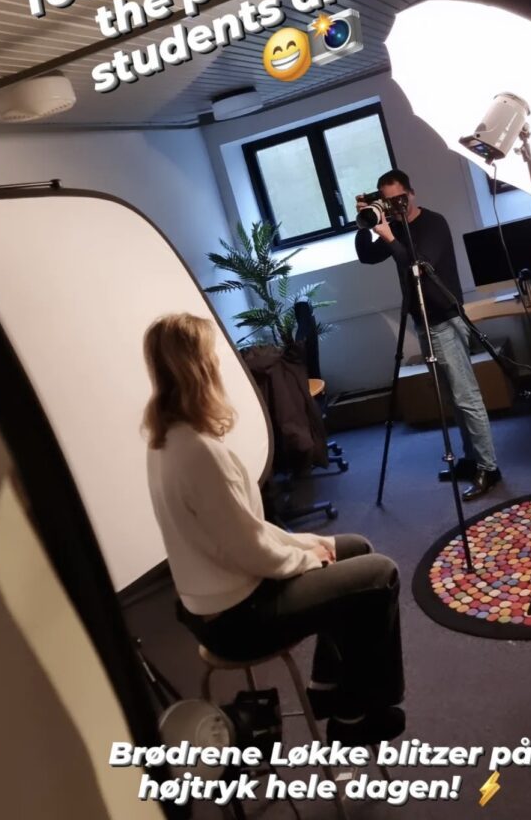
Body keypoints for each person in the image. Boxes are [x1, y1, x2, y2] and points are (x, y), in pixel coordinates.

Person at [142, 313, 405, 746]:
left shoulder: (165, 440)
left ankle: (327, 686)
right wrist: (307, 557)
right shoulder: (199, 453)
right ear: (199, 367)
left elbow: (243, 529)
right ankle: (359, 714)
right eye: (213, 357)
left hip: (216, 602)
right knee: (381, 575)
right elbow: (251, 550)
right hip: (239, 618)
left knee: (352, 547)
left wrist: (309, 542)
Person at [355, 169, 502, 501]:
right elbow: (366, 256)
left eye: (399, 199)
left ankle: (490, 469)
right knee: (451, 399)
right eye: (388, 201)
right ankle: (470, 460)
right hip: (423, 321)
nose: (395, 206)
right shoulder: (392, 226)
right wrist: (363, 224)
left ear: (412, 193)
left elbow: (419, 264)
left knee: (466, 397)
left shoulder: (432, 223)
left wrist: (391, 238)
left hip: (446, 321)